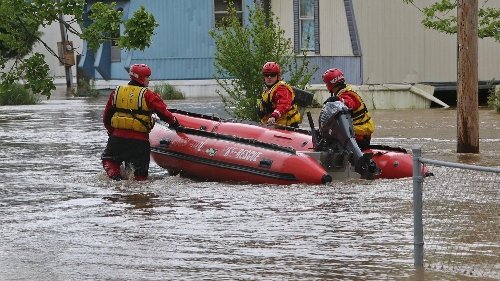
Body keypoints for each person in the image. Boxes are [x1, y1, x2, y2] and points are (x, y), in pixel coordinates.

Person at [101, 63, 180, 181]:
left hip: (117, 139)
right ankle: (139, 195)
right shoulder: (148, 95)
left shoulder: (116, 92)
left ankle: (116, 179)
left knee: (109, 159)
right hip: (139, 142)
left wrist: (112, 132)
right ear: (141, 78)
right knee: (140, 174)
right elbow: (163, 113)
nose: (150, 79)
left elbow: (107, 117)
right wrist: (175, 123)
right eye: (148, 76)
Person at [322, 68, 374, 150]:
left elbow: (349, 103)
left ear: (330, 84)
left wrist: (337, 100)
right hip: (356, 134)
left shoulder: (348, 95)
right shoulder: (344, 92)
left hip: (360, 137)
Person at [257, 62, 301, 128]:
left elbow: (284, 104)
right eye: (266, 75)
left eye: (272, 75)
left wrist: (274, 116)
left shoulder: (281, 88)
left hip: (287, 127)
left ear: (278, 76)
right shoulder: (267, 92)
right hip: (274, 126)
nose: (269, 77)